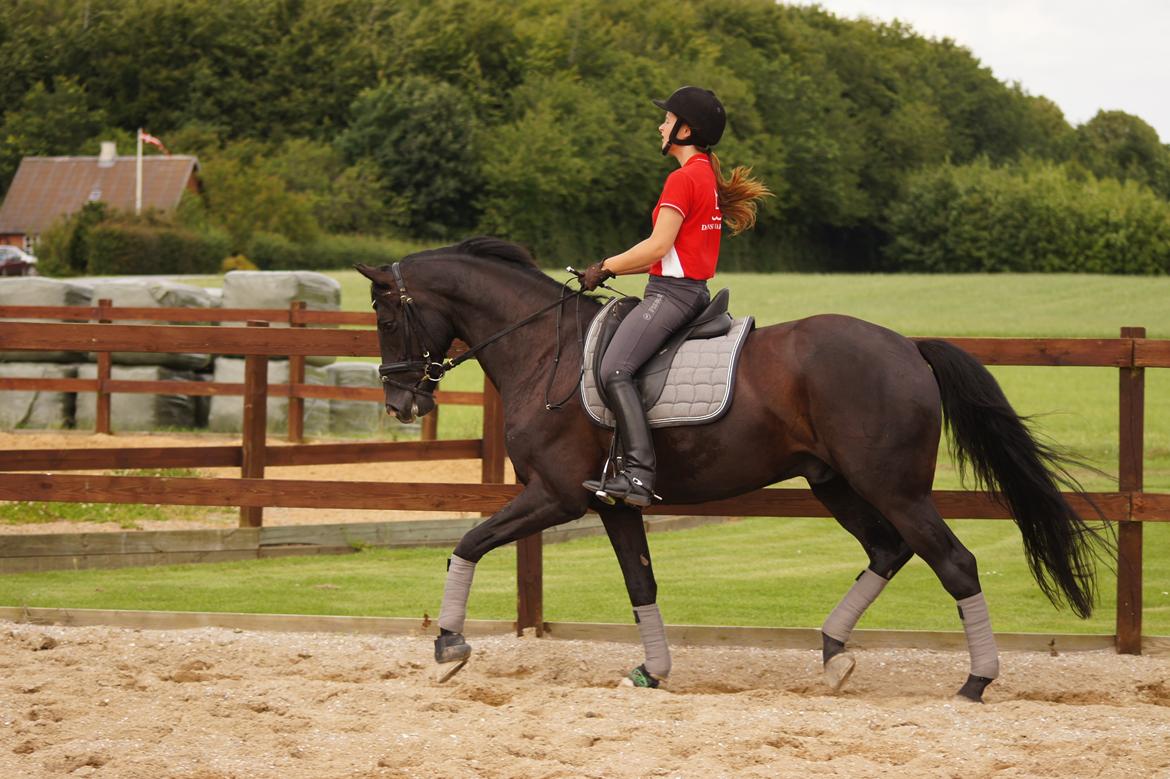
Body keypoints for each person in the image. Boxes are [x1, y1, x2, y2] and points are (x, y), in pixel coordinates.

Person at [580, 86, 771, 507]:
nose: (660, 125)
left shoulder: (683, 179)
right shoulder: (705, 176)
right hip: (692, 294)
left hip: (672, 295)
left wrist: (604, 267)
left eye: (667, 120)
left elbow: (656, 247)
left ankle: (638, 476)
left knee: (614, 370)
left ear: (686, 130)